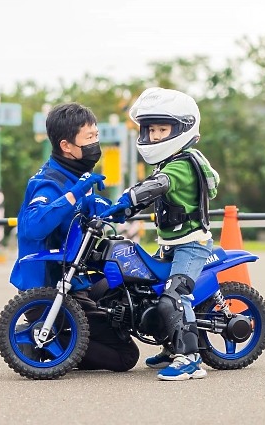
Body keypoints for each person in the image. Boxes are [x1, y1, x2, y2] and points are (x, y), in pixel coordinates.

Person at [10, 102, 140, 372]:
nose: (96, 143)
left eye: (97, 135)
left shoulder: (77, 175)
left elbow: (86, 210)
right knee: (125, 356)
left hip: (76, 278)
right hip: (50, 288)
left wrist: (117, 208)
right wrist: (75, 193)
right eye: (89, 138)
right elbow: (33, 226)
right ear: (66, 146)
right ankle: (41, 340)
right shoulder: (47, 182)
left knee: (124, 294)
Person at [100, 87, 220, 381]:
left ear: (181, 128)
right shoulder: (170, 162)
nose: (154, 136)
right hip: (172, 244)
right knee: (151, 294)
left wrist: (128, 198)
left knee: (174, 296)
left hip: (191, 245)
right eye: (150, 130)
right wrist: (120, 211)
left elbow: (157, 186)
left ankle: (190, 359)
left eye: (161, 129)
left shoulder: (182, 165)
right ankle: (171, 346)